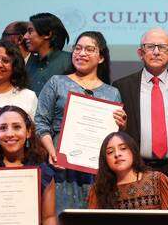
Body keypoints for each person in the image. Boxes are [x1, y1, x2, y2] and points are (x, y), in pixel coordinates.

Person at [35, 31, 126, 211]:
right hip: (59, 165)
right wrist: (52, 152)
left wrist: (122, 126)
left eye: (89, 49)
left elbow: (114, 137)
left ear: (101, 58)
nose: (81, 53)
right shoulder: (57, 83)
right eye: (78, 48)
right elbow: (40, 122)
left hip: (95, 169)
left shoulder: (111, 92)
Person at [112, 27, 168, 200]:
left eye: (162, 47)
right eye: (150, 47)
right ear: (140, 53)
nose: (156, 52)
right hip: (135, 169)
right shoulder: (121, 86)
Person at [88, 131, 168, 209]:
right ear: (105, 160)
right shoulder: (99, 190)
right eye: (110, 152)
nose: (117, 154)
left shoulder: (157, 180)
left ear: (133, 151)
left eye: (123, 148)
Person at [24, 12, 72, 96]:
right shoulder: (29, 62)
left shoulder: (70, 61)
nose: (25, 36)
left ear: (47, 34)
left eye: (30, 31)